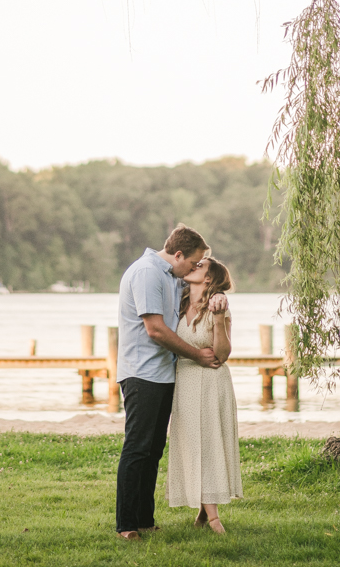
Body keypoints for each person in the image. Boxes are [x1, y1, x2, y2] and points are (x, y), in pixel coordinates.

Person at [114, 224, 224, 542]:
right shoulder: (148, 272)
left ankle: (144, 519)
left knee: (153, 449)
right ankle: (126, 525)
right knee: (137, 448)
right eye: (192, 263)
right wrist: (198, 356)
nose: (193, 268)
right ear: (178, 255)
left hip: (162, 374)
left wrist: (216, 300)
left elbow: (198, 298)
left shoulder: (170, 276)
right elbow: (156, 330)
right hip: (142, 373)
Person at [166, 257, 242, 534]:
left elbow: (221, 354)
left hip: (211, 380)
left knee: (209, 441)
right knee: (191, 442)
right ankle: (203, 510)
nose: (193, 267)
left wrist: (219, 320)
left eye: (200, 267)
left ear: (209, 279)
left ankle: (213, 517)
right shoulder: (178, 301)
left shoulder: (218, 308)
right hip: (184, 380)